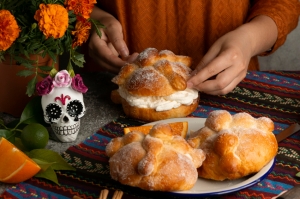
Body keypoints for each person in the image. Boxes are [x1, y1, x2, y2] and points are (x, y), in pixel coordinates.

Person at [88, 0, 300, 95]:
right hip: (108, 90)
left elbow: (284, 3)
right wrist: (92, 19)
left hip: (228, 86)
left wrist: (250, 39)